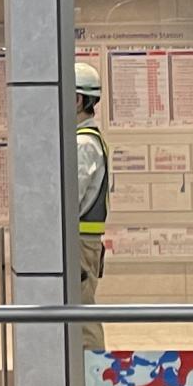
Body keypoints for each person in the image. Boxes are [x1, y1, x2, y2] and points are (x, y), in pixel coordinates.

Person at [74, 61, 110, 297]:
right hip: (83, 242)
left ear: (77, 100)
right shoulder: (88, 139)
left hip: (79, 244)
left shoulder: (83, 144)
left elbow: (69, 200)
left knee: (79, 313)